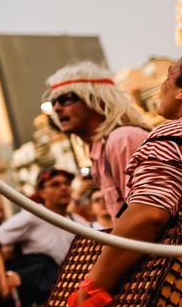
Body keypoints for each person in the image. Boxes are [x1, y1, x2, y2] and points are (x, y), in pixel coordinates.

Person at [64, 57, 182, 307]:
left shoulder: (165, 136)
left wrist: (88, 298)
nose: (161, 85)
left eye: (169, 76)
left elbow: (146, 217)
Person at [0, 167, 87, 307]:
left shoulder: (79, 221)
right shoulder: (33, 215)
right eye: (55, 185)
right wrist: (4, 275)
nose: (64, 188)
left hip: (78, 304)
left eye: (67, 184)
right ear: (42, 192)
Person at [46, 61, 151, 223]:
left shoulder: (123, 139)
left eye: (66, 99)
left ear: (98, 99)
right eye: (54, 103)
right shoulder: (99, 151)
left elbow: (146, 216)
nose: (57, 108)